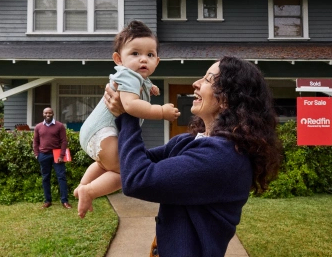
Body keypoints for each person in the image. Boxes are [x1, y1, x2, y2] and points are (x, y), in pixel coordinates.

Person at [105, 56, 283, 256]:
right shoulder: (190, 142)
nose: (196, 84)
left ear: (227, 97)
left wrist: (128, 113)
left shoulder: (224, 156)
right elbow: (131, 164)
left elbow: (137, 179)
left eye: (207, 79)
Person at [75, 20, 180, 218]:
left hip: (95, 133)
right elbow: (130, 106)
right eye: (135, 53)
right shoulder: (129, 76)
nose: (143, 60)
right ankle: (88, 191)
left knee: (103, 165)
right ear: (118, 59)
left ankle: (82, 185)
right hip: (103, 133)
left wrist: (151, 87)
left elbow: (141, 85)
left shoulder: (136, 77)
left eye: (150, 55)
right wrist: (161, 112)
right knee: (126, 172)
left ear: (157, 61)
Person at [33, 107, 72, 209]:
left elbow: (64, 141)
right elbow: (35, 142)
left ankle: (64, 201)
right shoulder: (38, 127)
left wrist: (61, 155)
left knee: (61, 177)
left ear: (53, 113)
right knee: (46, 178)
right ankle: (47, 201)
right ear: (43, 114)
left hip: (57, 155)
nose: (48, 115)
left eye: (50, 113)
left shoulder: (59, 126)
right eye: (46, 113)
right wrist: (37, 154)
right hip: (43, 155)